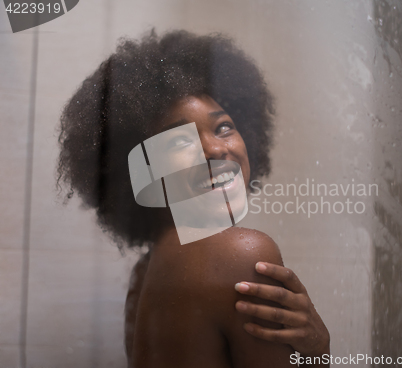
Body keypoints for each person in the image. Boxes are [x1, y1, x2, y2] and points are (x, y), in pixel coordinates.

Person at [57, 30, 329, 367]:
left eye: (224, 127)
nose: (215, 149)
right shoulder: (239, 254)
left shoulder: (146, 269)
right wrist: (318, 350)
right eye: (179, 141)